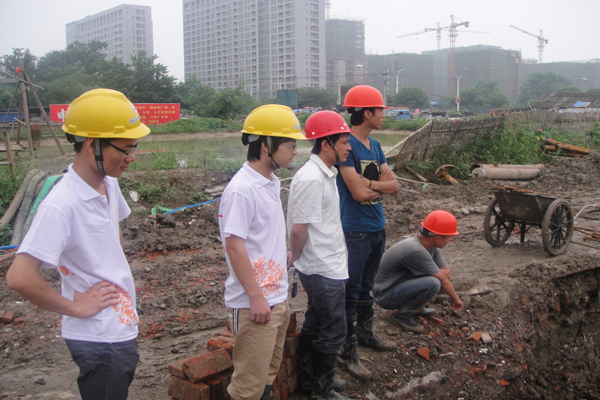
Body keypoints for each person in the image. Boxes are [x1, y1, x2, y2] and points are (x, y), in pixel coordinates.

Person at [6, 89, 149, 400]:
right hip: (99, 339)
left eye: (134, 148)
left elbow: (112, 235)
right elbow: (19, 277)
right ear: (91, 144)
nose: (132, 157)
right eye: (125, 149)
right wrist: (75, 307)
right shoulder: (62, 205)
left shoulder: (108, 182)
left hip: (118, 327)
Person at [218, 104, 305, 400]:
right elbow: (234, 246)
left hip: (276, 298)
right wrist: (256, 296)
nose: (295, 152)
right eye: (290, 145)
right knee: (248, 388)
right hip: (254, 305)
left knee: (266, 378)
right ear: (267, 145)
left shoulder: (270, 181)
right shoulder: (242, 190)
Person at [336, 85, 400, 380]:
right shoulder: (346, 146)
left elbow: (394, 185)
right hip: (355, 230)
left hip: (377, 225)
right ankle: (346, 351)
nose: (383, 115)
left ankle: (365, 334)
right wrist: (380, 186)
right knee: (351, 291)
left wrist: (372, 184)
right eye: (380, 111)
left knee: (367, 287)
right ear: (366, 113)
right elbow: (357, 194)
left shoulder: (374, 145)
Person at [287, 111, 352, 400]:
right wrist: (295, 256)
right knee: (335, 328)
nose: (348, 148)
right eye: (344, 142)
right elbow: (298, 229)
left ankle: (309, 378)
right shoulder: (312, 178)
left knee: (316, 321)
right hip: (321, 266)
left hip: (327, 262)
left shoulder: (325, 173)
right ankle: (321, 390)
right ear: (326, 144)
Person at [373, 210, 464, 333]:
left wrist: (434, 272)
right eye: (449, 237)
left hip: (395, 287)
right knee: (433, 283)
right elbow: (443, 278)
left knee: (433, 278)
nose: (450, 240)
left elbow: (447, 273)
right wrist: (456, 299)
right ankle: (402, 315)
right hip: (384, 296)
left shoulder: (429, 246)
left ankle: (415, 308)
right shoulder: (416, 250)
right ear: (438, 238)